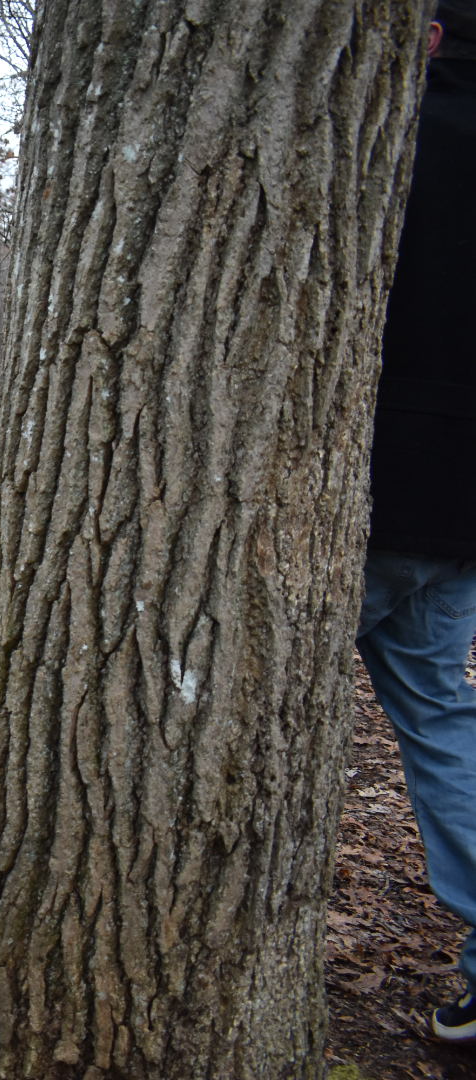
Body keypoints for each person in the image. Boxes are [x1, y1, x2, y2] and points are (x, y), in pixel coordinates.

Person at [356, 0, 476, 1046]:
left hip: (368, 493)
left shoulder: (386, 129)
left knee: (244, 713)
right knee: (441, 720)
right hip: (464, 513)